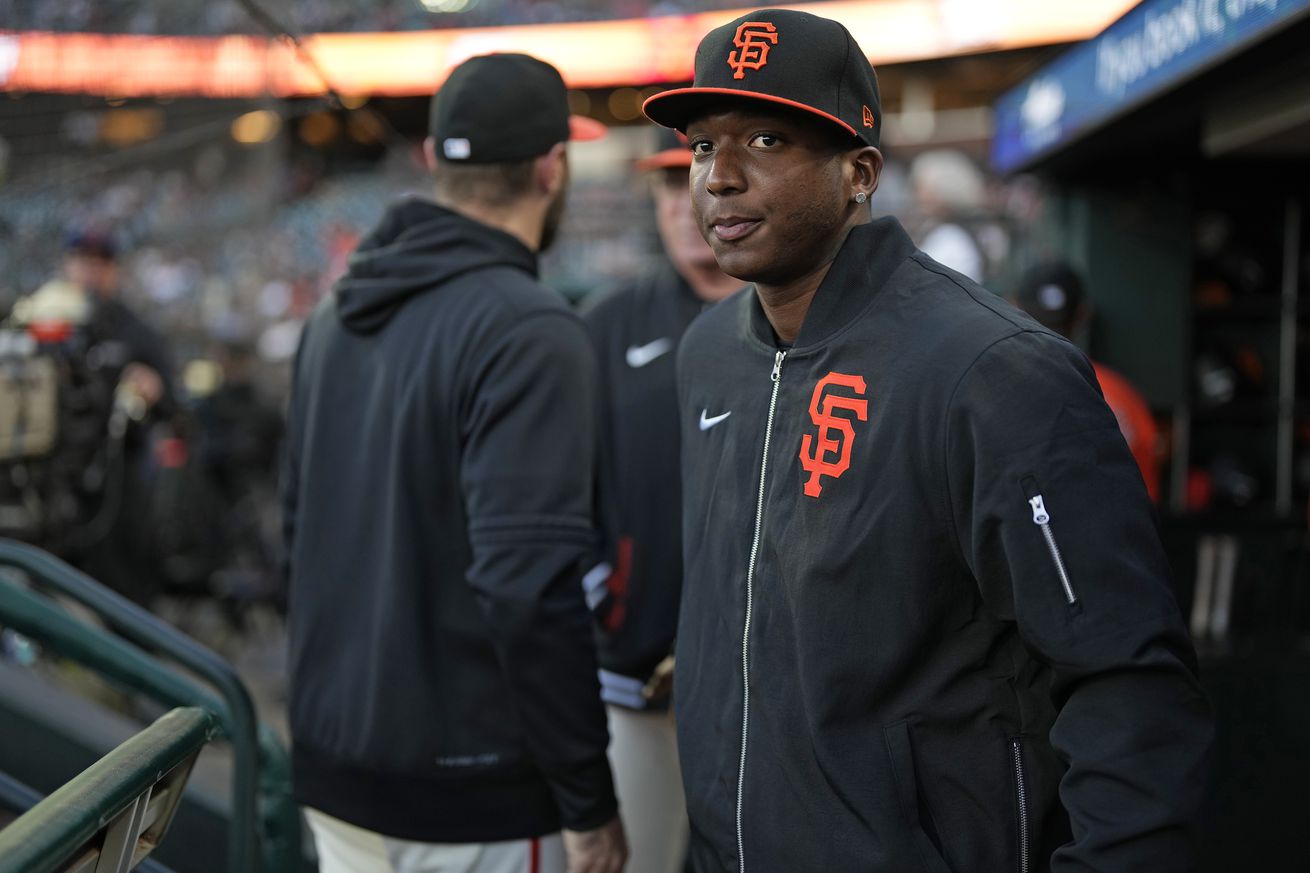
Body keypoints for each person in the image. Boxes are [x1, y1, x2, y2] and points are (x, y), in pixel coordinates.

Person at [642, 9, 1212, 872]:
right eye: (701, 145)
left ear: (859, 173)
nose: (719, 177)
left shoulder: (994, 370)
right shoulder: (709, 352)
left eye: (764, 139)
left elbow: (1126, 680)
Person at [281, 53, 626, 873]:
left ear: (434, 161)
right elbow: (529, 586)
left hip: (336, 773)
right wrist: (586, 797)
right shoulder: (532, 328)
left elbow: (296, 535)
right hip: (475, 798)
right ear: (554, 166)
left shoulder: (332, 315)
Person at [581, 127, 742, 873]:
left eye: (699, 176)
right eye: (669, 185)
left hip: (772, 693)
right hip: (635, 679)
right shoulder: (608, 323)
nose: (687, 202)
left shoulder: (805, 317)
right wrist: (606, 599)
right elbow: (557, 493)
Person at [1014, 260, 1163, 503]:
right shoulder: (1121, 396)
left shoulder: (994, 390)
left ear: (1014, 307)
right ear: (1082, 314)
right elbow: (1145, 493)